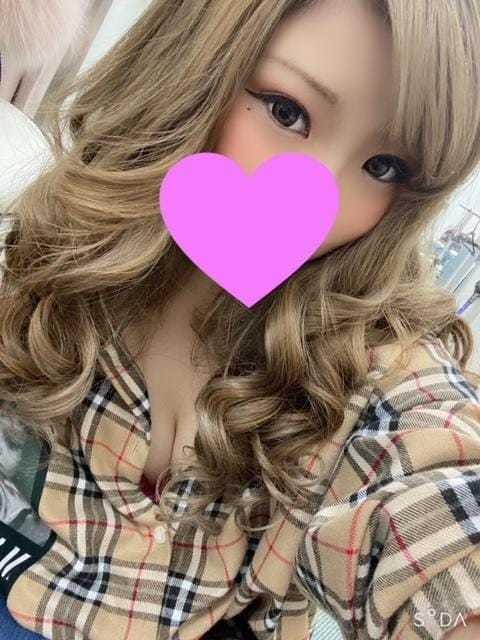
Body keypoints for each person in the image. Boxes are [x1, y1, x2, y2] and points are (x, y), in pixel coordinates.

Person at [0, 1, 480, 638]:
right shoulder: (33, 258)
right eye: (286, 112)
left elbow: (433, 494)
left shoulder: (368, 367)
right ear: (192, 69)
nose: (318, 200)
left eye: (383, 167)